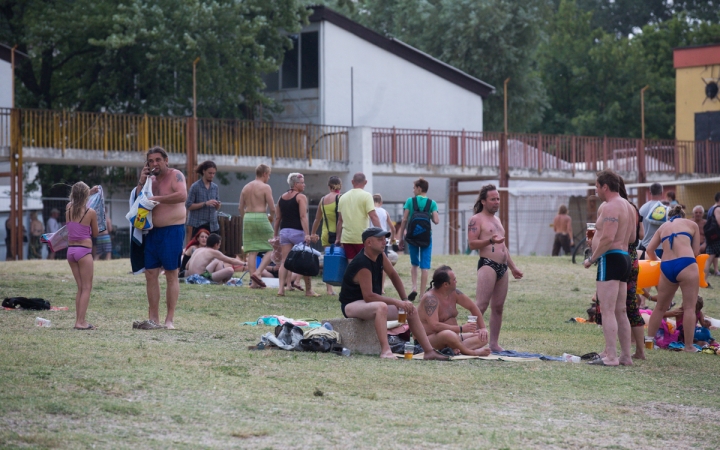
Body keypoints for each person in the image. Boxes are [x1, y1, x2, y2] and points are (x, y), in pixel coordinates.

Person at [338, 226, 447, 360]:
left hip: (369, 303)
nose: (384, 242)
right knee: (381, 307)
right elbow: (369, 296)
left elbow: (394, 276)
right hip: (351, 305)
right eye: (380, 239)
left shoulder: (380, 255)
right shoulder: (362, 263)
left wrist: (405, 300)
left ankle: (429, 351)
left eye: (385, 239)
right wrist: (397, 302)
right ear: (368, 242)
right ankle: (385, 351)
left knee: (410, 309)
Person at [583, 169, 635, 366]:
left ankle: (612, 356)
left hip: (610, 258)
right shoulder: (628, 206)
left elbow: (608, 237)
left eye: (596, 186)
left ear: (605, 186)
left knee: (607, 310)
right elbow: (630, 238)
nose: (595, 190)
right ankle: (625, 356)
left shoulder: (610, 206)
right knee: (620, 310)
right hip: (624, 258)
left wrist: (592, 258)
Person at [135, 146, 187, 330]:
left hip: (172, 230)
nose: (155, 163)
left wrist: (157, 199)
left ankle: (169, 319)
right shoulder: (150, 180)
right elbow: (137, 201)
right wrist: (141, 183)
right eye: (151, 161)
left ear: (166, 160)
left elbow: (182, 195)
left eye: (158, 159)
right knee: (150, 274)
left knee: (172, 274)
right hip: (152, 232)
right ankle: (154, 317)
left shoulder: (176, 175)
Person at [467, 184, 523, 352]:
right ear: (483, 201)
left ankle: (494, 343)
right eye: (493, 199)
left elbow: (503, 246)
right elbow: (471, 244)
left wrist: (512, 267)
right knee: (481, 305)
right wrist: (490, 241)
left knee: (498, 306)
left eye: (498, 199)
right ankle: (465, 339)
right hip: (488, 265)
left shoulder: (497, 220)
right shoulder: (476, 219)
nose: (496, 202)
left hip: (502, 267)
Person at [645, 205, 701, 352]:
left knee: (660, 307)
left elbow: (649, 250)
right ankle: (689, 346)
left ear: (669, 217)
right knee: (689, 307)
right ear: (683, 216)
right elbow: (695, 252)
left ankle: (649, 343)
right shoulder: (692, 225)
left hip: (667, 266)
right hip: (686, 263)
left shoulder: (662, 227)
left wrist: (658, 261)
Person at [418, 265, 491, 356]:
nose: (456, 281)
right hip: (429, 340)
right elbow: (434, 326)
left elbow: (473, 307)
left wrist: (483, 328)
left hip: (454, 338)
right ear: (445, 284)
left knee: (483, 337)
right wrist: (461, 328)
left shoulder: (454, 293)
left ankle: (454, 348)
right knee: (448, 335)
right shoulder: (431, 299)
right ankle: (471, 352)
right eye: (454, 280)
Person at [274, 173, 317, 297]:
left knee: (284, 262)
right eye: (302, 182)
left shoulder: (281, 197)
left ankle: (281, 290)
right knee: (306, 259)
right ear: (295, 184)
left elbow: (278, 218)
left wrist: (275, 234)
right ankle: (309, 290)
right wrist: (307, 234)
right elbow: (303, 216)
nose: (304, 185)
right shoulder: (301, 197)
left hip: (284, 232)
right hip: (297, 231)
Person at [397, 178, 439, 298]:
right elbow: (436, 221)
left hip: (412, 236)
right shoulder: (432, 203)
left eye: (414, 188)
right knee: (424, 266)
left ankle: (414, 287)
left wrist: (401, 237)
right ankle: (421, 295)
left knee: (414, 263)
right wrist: (429, 214)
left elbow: (404, 219)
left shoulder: (410, 201)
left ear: (419, 188)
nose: (413, 190)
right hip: (426, 238)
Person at [65, 182, 100, 330]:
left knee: (80, 287)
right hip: (84, 251)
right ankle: (81, 322)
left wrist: (88, 192)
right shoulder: (90, 212)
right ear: (85, 195)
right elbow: (96, 233)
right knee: (86, 287)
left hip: (71, 251)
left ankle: (78, 321)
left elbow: (76, 201)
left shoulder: (68, 207)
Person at [618, 178, 646, 360]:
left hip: (620, 257)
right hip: (634, 259)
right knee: (631, 305)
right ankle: (640, 352)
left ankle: (616, 351)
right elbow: (641, 234)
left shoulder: (616, 207)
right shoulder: (634, 208)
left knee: (616, 306)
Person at [239, 164, 276, 289]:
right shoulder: (265, 187)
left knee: (252, 250)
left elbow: (240, 208)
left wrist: (245, 218)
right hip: (261, 216)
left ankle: (253, 282)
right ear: (265, 173)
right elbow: (272, 208)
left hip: (248, 217)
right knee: (273, 246)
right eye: (269, 175)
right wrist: (271, 217)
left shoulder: (245, 187)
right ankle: (258, 272)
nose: (269, 178)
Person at [335, 173, 381, 260]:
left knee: (352, 265)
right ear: (366, 182)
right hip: (362, 237)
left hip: (346, 238)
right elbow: (373, 216)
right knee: (364, 265)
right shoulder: (367, 196)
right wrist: (381, 233)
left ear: (352, 182)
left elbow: (340, 220)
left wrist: (338, 238)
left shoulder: (342, 197)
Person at [310, 176, 343, 295]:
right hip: (339, 234)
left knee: (328, 261)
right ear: (340, 186)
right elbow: (342, 219)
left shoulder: (323, 200)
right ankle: (342, 284)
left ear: (329, 186)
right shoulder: (340, 198)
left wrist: (313, 233)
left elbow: (317, 219)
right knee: (342, 259)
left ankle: (329, 289)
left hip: (326, 234)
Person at [185, 160, 221, 237]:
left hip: (213, 225)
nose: (212, 175)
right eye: (210, 173)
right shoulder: (195, 186)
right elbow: (188, 205)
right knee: (198, 248)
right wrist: (205, 203)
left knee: (213, 248)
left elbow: (217, 207)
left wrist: (217, 206)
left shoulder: (215, 187)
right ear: (204, 171)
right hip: (199, 225)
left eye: (213, 173)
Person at [638, 182, 665, 259]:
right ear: (662, 193)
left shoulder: (642, 208)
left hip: (645, 247)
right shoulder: (665, 209)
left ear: (650, 192)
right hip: (659, 247)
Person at [704, 193, 720, 284]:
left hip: (712, 236)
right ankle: (703, 278)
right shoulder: (718, 209)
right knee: (710, 257)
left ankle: (704, 278)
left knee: (711, 256)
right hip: (716, 236)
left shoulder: (712, 208)